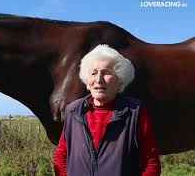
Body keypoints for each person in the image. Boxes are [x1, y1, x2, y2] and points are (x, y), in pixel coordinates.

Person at [53, 44, 161, 176]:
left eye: (106, 73)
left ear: (119, 79)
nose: (98, 80)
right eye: (93, 73)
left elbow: (151, 162)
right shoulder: (73, 111)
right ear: (87, 80)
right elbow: (61, 155)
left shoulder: (134, 111)